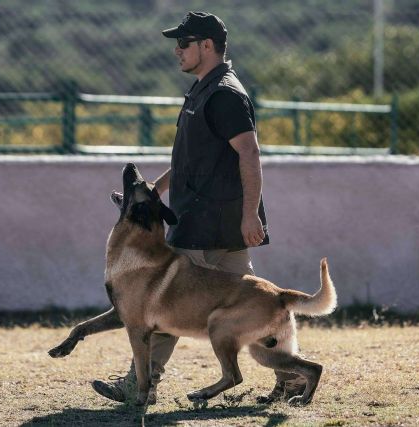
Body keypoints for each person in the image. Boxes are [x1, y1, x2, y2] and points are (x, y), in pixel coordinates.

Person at [92, 11, 305, 404]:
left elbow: (250, 153)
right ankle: (292, 375)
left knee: (161, 304)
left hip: (210, 224)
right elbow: (193, 156)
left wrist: (250, 214)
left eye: (184, 44)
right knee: (260, 304)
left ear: (207, 46)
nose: (177, 51)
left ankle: (140, 384)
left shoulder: (224, 93)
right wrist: (157, 188)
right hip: (210, 222)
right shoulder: (204, 89)